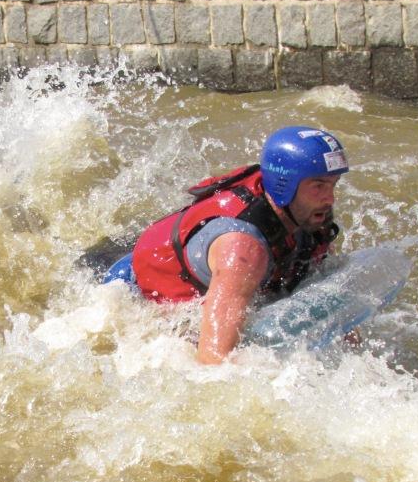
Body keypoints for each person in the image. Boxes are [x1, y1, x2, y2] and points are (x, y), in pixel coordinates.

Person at [130, 125, 349, 364]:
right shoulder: (243, 250)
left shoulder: (309, 215)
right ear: (285, 184)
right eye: (318, 186)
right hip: (131, 287)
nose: (330, 198)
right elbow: (213, 361)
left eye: (333, 184)